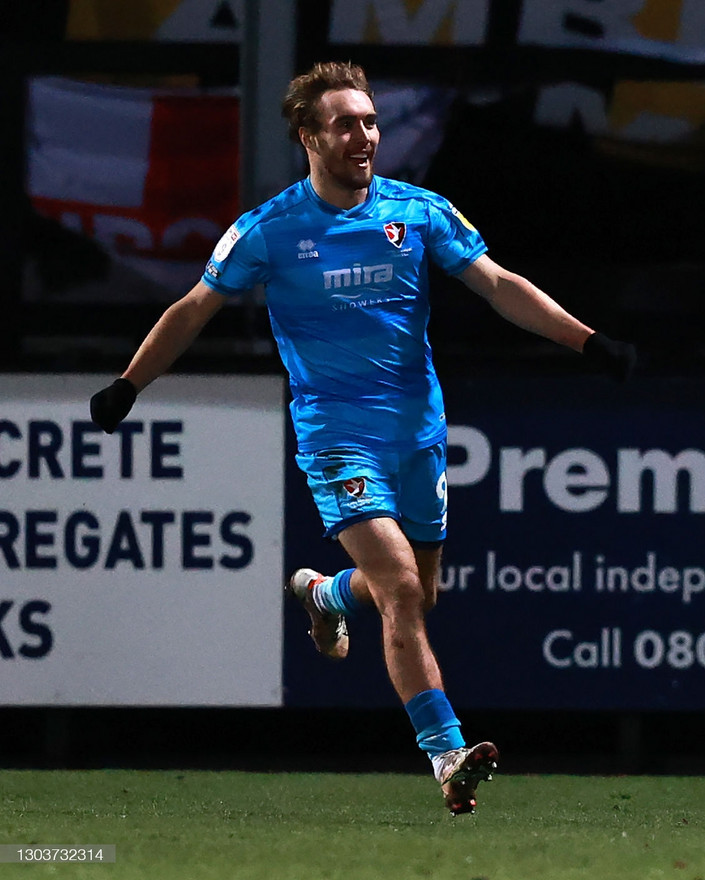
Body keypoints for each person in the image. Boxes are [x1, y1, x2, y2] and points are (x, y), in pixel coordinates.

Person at [90, 61, 635, 816]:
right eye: (346, 123)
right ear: (309, 136)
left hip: (418, 435)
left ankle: (322, 592)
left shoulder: (417, 211)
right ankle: (448, 757)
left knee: (418, 592)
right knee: (404, 589)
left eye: (371, 121)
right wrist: (129, 385)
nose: (365, 135)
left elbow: (500, 284)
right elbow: (191, 308)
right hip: (336, 439)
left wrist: (589, 342)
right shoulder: (270, 229)